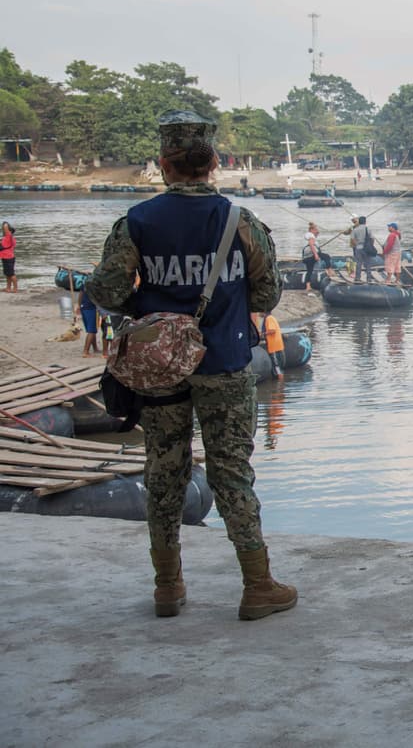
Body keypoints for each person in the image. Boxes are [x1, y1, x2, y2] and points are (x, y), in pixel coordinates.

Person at [87, 109, 296, 621]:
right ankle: (257, 585)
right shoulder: (238, 221)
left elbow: (109, 291)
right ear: (215, 163)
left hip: (159, 371)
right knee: (232, 473)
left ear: (164, 165)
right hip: (224, 362)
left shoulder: (137, 221)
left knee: (164, 469)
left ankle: (168, 587)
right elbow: (267, 294)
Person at [302, 221, 333, 291]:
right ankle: (329, 271)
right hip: (311, 254)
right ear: (311, 230)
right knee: (326, 256)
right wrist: (316, 255)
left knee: (309, 271)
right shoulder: (311, 235)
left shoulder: (307, 235)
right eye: (316, 230)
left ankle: (308, 286)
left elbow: (312, 242)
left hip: (306, 257)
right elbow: (311, 245)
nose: (317, 232)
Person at [258, 311, 285, 378]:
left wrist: (262, 334)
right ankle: (279, 382)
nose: (259, 313)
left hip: (274, 347)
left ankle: (279, 385)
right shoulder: (270, 318)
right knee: (278, 367)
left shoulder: (269, 318)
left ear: (264, 312)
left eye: (260, 311)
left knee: (277, 368)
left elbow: (272, 330)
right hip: (277, 346)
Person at [350, 216, 376, 283]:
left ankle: (358, 278)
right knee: (368, 264)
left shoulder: (355, 229)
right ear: (365, 222)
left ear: (359, 222)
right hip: (367, 249)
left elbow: (352, 240)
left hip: (358, 248)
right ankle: (369, 278)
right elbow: (372, 238)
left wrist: (357, 244)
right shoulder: (368, 229)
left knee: (358, 263)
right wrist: (371, 245)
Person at [79, 286, 99, 357]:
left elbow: (81, 294)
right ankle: (85, 351)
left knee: (92, 328)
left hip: (84, 307)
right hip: (91, 308)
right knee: (91, 331)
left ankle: (95, 348)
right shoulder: (96, 284)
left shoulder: (86, 282)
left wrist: (79, 306)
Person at [1, 221, 16, 292]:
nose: (4, 230)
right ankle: (8, 288)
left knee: (11, 274)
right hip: (5, 257)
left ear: (9, 229)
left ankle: (15, 288)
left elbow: (11, 230)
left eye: (6, 228)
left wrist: (6, 226)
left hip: (9, 257)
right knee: (7, 274)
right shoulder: (6, 237)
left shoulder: (9, 236)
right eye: (3, 228)